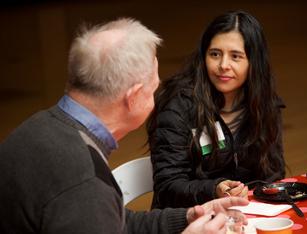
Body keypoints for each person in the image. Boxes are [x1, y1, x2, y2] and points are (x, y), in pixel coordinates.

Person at [0, 18, 248, 233]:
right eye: (154, 88)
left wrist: (186, 218)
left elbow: (110, 222)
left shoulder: (38, 127)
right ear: (134, 97)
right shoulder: (83, 181)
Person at [147, 10, 286, 209]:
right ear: (203, 56)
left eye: (236, 56)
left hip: (245, 216)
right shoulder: (178, 106)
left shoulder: (265, 105)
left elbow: (273, 175)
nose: (223, 65)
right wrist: (215, 189)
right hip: (186, 221)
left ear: (254, 63)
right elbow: (168, 186)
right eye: (215, 54)